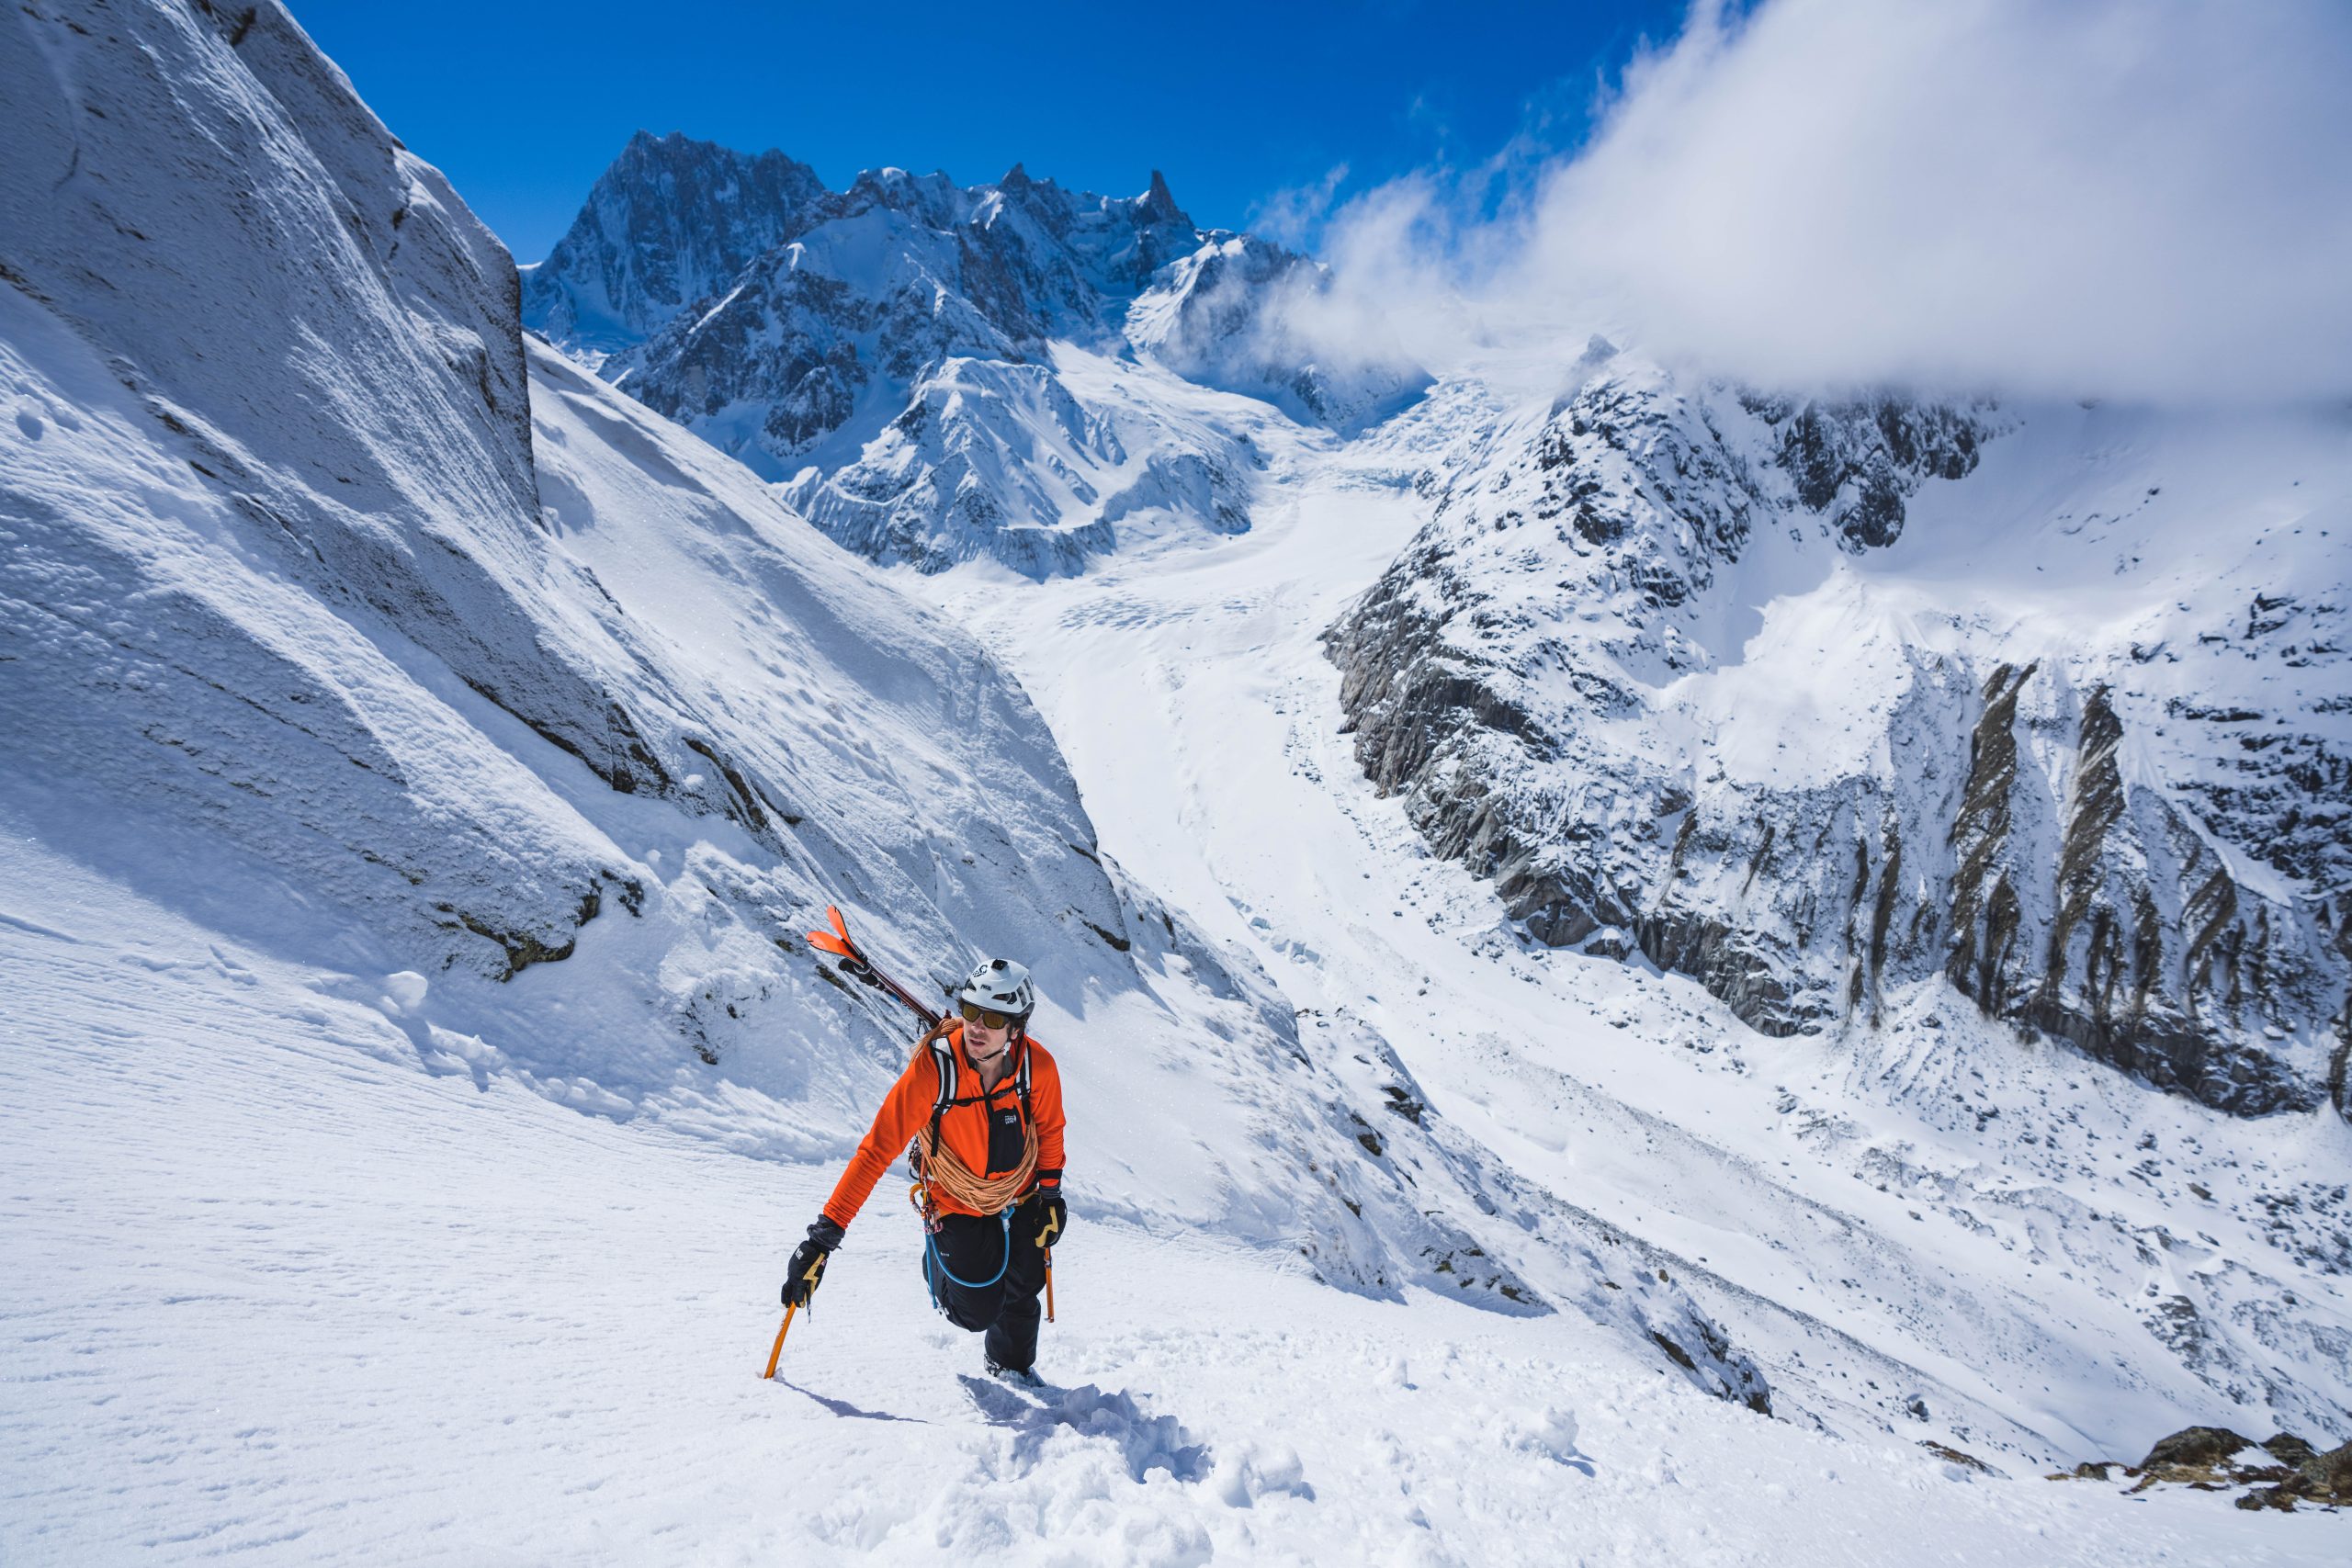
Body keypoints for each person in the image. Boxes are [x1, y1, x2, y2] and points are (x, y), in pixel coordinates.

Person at [783, 956, 1068, 1381]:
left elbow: (1050, 1129)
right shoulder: (936, 1069)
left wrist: (1050, 1196)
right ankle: (938, 1267)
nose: (975, 1026)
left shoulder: (1036, 1069)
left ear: (1016, 1028)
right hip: (955, 1200)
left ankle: (1009, 1365)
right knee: (975, 1311)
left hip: (1019, 1191)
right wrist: (823, 1237)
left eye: (991, 1017)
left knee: (1025, 1282)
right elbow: (876, 1150)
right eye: (970, 1011)